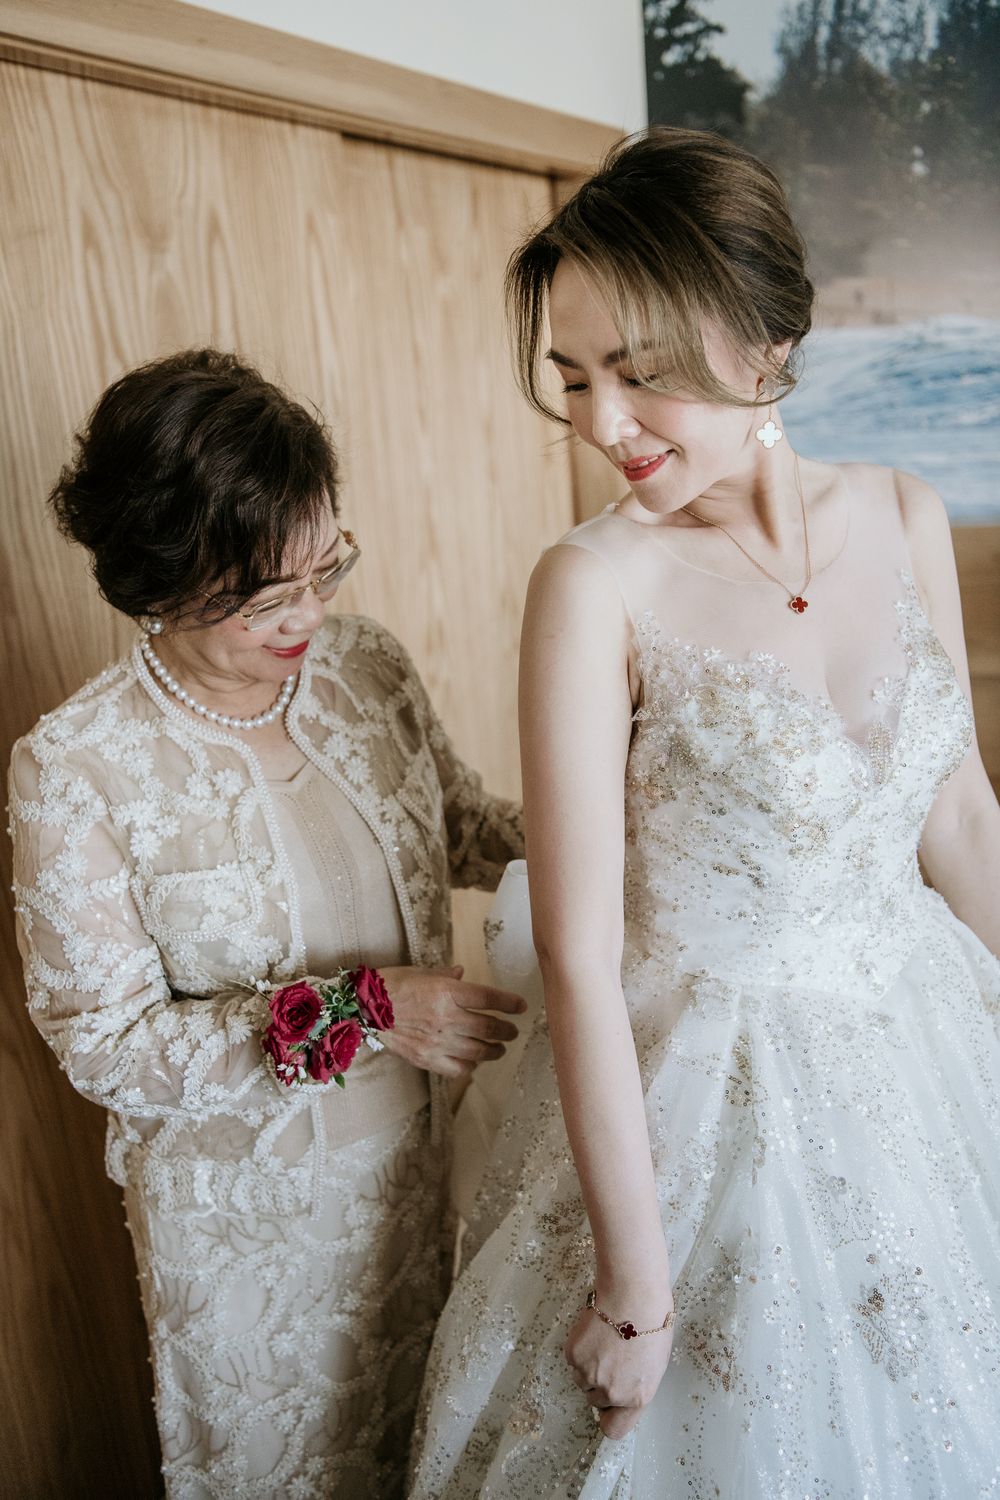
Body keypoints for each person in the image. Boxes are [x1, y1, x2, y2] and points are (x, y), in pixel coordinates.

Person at [409, 128, 1000, 1498]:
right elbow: (575, 948)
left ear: (761, 342)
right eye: (574, 378)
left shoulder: (905, 514)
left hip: (924, 1050)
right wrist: (633, 1282)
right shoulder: (593, 585)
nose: (601, 425)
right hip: (712, 1097)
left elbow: (961, 820)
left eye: (639, 373)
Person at [8, 349, 526, 1500]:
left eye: (324, 566)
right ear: (157, 579)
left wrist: (610, 821)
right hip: (246, 1236)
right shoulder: (78, 766)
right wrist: (369, 1007)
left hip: (426, 1172)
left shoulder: (364, 664)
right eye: (264, 595)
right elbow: (108, 1044)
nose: (311, 613)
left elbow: (461, 827)